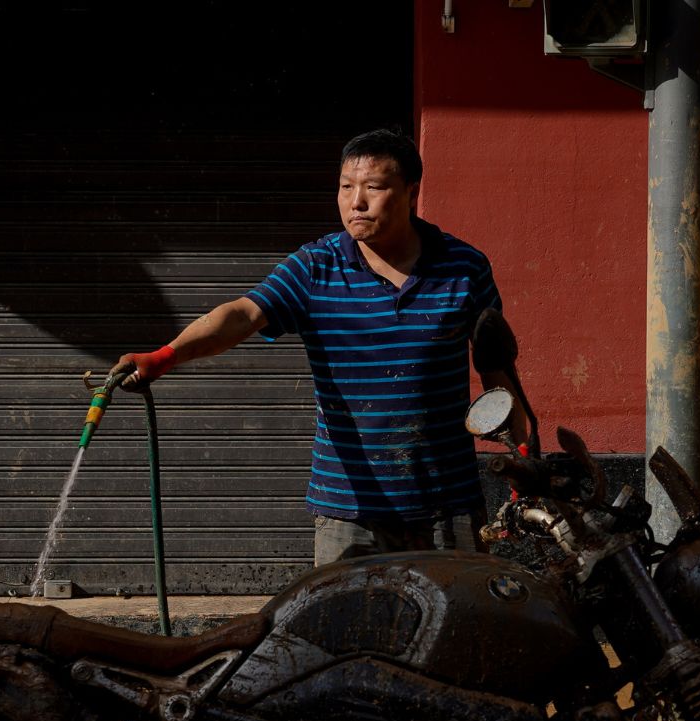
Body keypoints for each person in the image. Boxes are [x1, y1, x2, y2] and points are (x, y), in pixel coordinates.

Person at [116, 128, 533, 566]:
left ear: (411, 193)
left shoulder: (464, 267)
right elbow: (241, 315)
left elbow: (498, 374)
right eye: (346, 187)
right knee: (341, 633)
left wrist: (526, 463)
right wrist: (165, 357)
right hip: (347, 512)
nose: (356, 202)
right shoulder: (316, 266)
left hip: (449, 509)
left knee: (460, 630)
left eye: (373, 187)